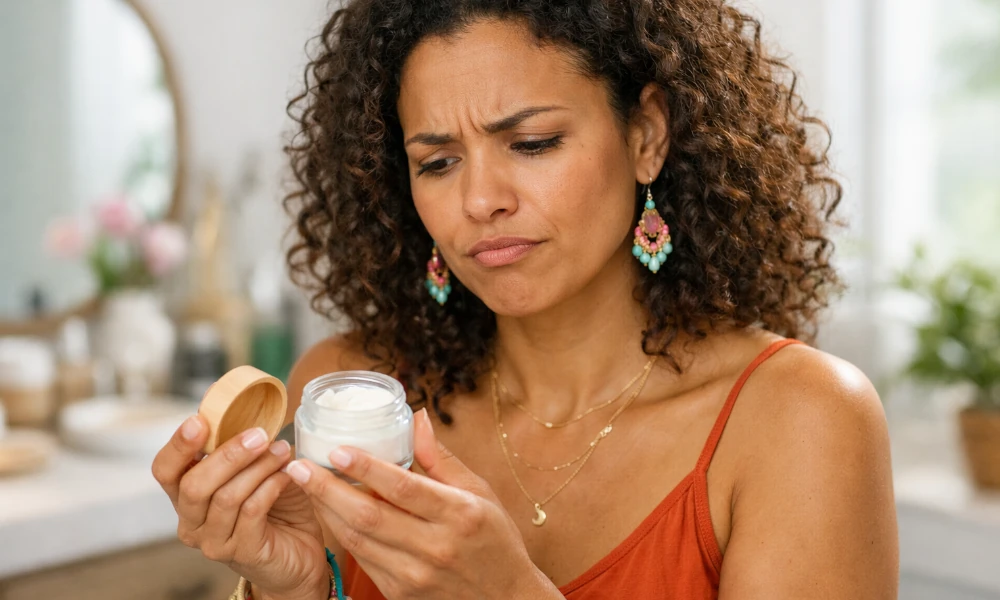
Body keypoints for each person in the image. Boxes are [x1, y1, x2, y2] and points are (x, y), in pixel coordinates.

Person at [152, 1, 899, 598]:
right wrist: (293, 590)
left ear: (646, 135)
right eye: (438, 162)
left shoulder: (799, 420)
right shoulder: (352, 397)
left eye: (532, 143)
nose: (480, 200)